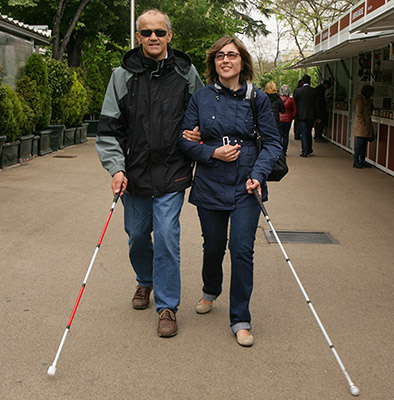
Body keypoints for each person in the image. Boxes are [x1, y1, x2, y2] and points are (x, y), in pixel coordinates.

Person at [96, 9, 203, 338]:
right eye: (146, 32)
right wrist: (116, 167)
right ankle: (145, 281)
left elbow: (202, 114)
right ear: (138, 37)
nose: (153, 37)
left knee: (168, 237)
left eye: (159, 32)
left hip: (173, 170)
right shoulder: (121, 75)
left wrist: (198, 132)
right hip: (135, 174)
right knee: (138, 236)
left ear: (170, 35)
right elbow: (109, 128)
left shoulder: (187, 73)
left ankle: (167, 305)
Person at [178, 36, 282, 347]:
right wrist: (211, 153)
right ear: (214, 63)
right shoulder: (200, 98)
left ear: (242, 61)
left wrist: (258, 175)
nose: (226, 60)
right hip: (210, 183)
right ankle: (211, 289)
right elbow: (183, 141)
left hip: (246, 184)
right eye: (220, 56)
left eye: (232, 55)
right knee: (213, 246)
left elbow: (274, 143)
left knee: (241, 249)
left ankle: (240, 317)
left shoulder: (257, 98)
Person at [293, 74, 319, 157]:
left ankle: (304, 151)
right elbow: (316, 105)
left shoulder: (298, 91)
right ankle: (309, 149)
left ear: (302, 82)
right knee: (309, 132)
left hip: (301, 115)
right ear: (310, 82)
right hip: (311, 115)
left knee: (303, 133)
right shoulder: (314, 91)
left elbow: (295, 103)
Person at [352, 84, 375, 169]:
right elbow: (359, 113)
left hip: (366, 125)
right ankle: (356, 161)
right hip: (361, 126)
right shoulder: (360, 100)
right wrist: (364, 122)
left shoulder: (368, 100)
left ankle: (362, 160)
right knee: (360, 143)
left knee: (364, 144)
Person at [279, 84, 297, 155]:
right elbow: (295, 111)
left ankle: (279, 150)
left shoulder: (278, 98)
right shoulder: (291, 100)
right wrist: (292, 116)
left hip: (280, 119)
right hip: (288, 119)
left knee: (279, 135)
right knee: (286, 135)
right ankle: (284, 150)